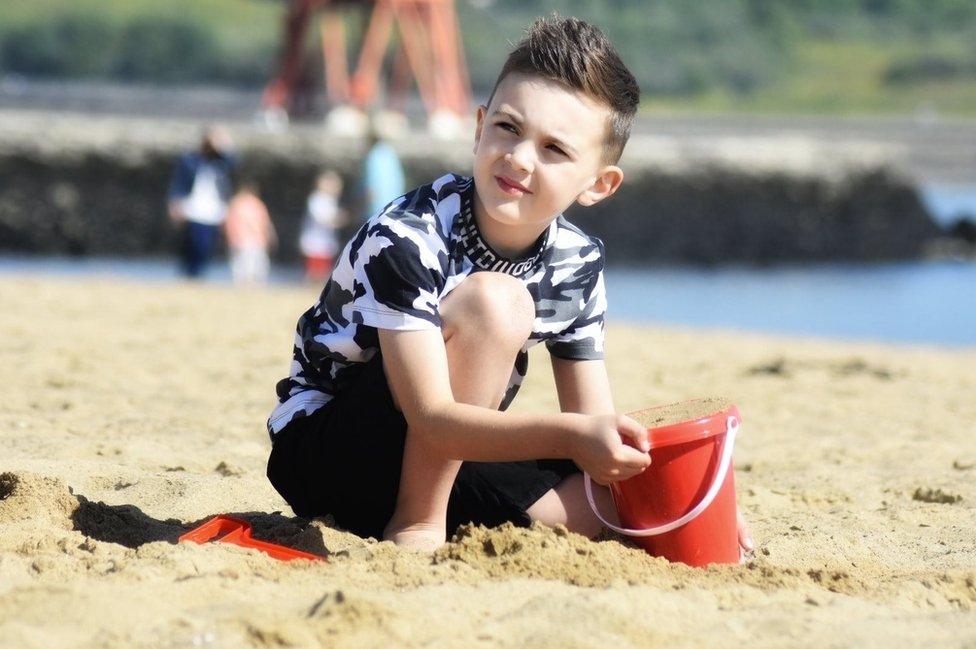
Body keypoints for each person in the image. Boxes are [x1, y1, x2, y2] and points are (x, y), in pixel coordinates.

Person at [266, 16, 753, 553]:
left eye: (554, 149)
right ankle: (418, 526)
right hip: (332, 446)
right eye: (508, 127)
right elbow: (430, 417)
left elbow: (590, 419)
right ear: (479, 127)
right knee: (496, 303)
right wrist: (572, 438)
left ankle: (445, 510)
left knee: (605, 509)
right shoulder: (406, 236)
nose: (519, 158)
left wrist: (683, 503)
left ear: (599, 183)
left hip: (450, 449)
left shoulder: (577, 262)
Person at [167, 127, 237, 278]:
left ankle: (198, 276)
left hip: (214, 213)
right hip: (193, 211)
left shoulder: (220, 163)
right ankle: (189, 275)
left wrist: (226, 144)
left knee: (207, 248)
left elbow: (235, 163)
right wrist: (175, 204)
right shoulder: (192, 160)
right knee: (193, 246)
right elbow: (179, 181)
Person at [224, 181, 277, 285]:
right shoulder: (257, 204)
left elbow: (228, 223)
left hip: (239, 241)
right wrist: (271, 237)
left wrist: (229, 238)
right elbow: (265, 224)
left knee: (240, 269)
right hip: (256, 241)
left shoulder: (235, 203)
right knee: (257, 269)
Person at [299, 170, 347, 281]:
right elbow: (322, 218)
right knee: (314, 272)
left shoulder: (331, 201)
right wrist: (336, 220)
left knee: (323, 272)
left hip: (326, 242)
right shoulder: (316, 199)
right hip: (315, 242)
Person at [360, 122, 405, 222]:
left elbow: (371, 188)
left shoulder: (373, 156)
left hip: (377, 210)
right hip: (394, 207)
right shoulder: (390, 152)